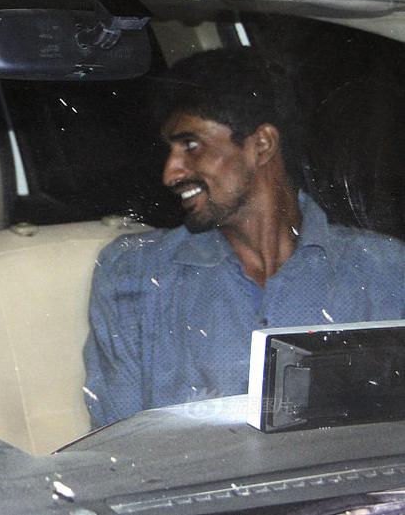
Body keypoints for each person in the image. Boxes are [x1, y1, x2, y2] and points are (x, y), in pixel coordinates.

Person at [82, 49, 405, 427]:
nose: (171, 173)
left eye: (191, 146)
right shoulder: (133, 274)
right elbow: (117, 445)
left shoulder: (384, 270)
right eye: (169, 150)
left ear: (262, 145)